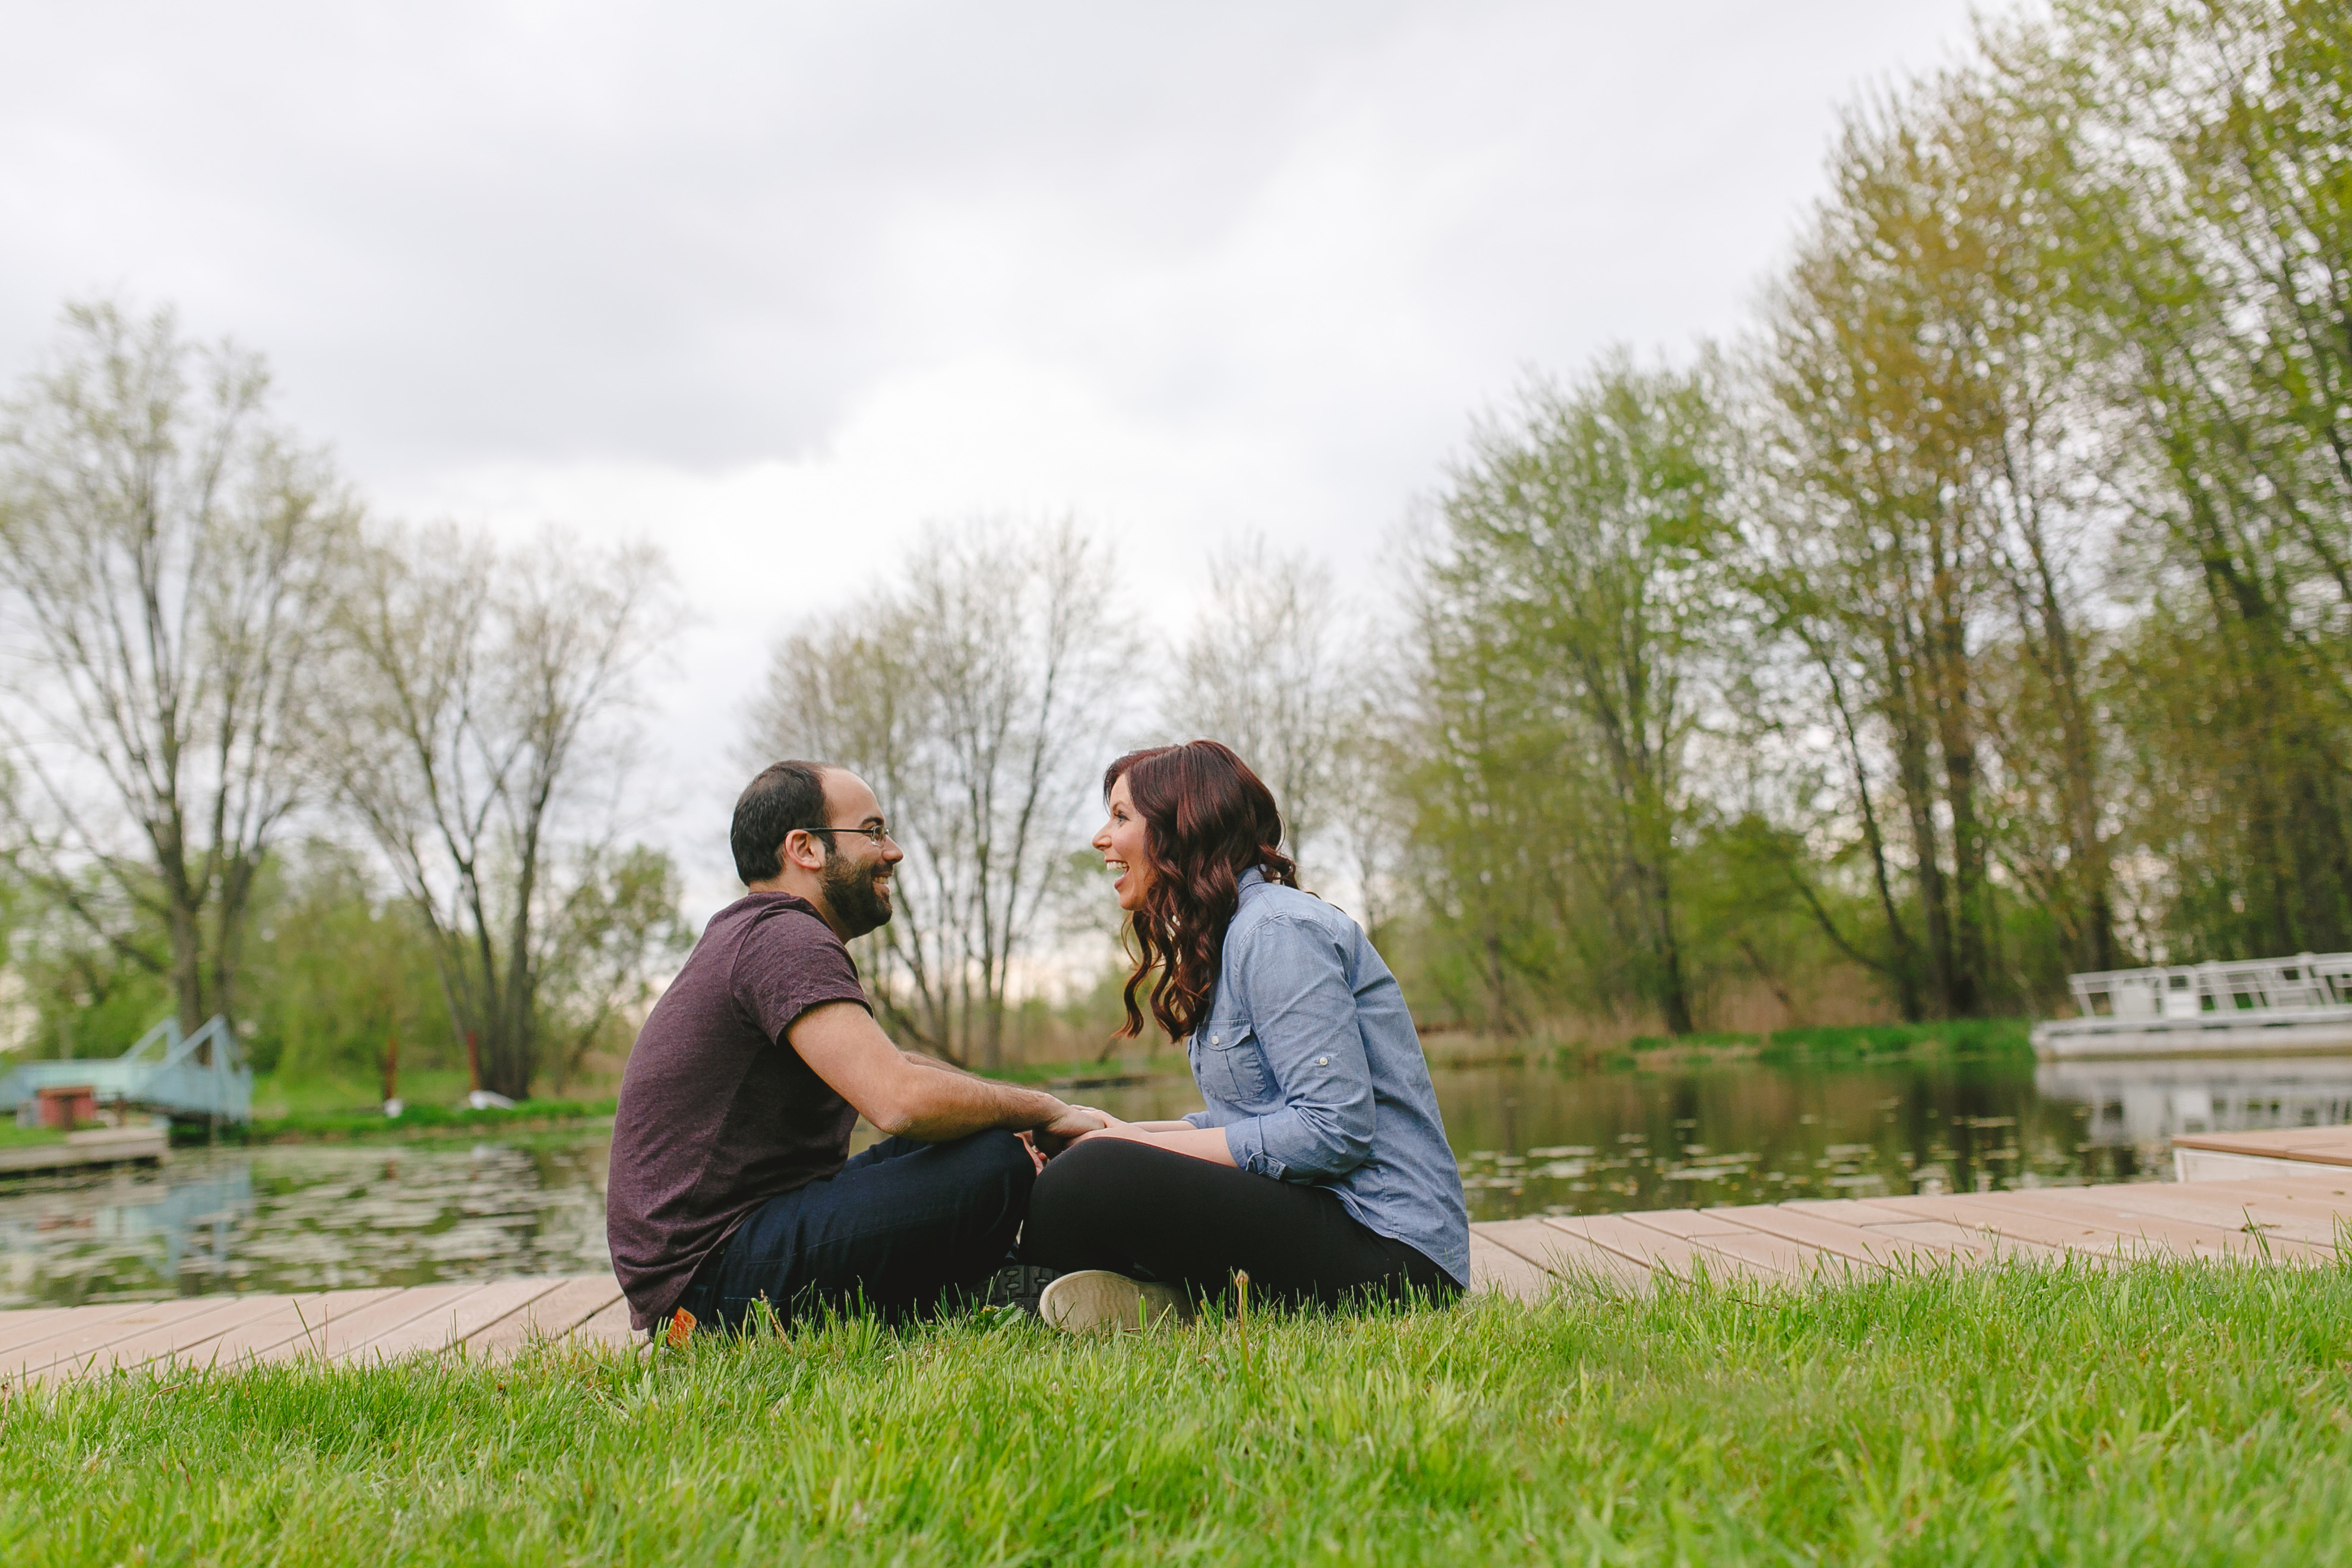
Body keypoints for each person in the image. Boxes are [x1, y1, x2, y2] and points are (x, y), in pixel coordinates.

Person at [605, 760, 1104, 1337]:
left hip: (732, 1254)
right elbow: (899, 1100)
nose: (891, 851)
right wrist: (1046, 1110)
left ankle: (1005, 1284)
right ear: (806, 849)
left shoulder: (761, 933)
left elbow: (896, 1065)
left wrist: (1009, 1111)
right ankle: (993, 1288)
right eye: (871, 831)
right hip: (710, 1280)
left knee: (982, 1135)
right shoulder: (783, 937)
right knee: (992, 1165)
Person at [1020, 739, 1470, 1332]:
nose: (1102, 838)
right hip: (1324, 1220)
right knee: (1071, 1159)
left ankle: (1038, 1294)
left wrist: (1129, 1147)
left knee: (1089, 1178)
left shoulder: (1278, 931)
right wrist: (1104, 1126)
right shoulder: (1230, 938)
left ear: (1182, 826)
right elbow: (1248, 1120)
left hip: (1393, 1255)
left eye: (1121, 817)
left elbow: (1332, 1131)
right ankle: (1143, 1296)